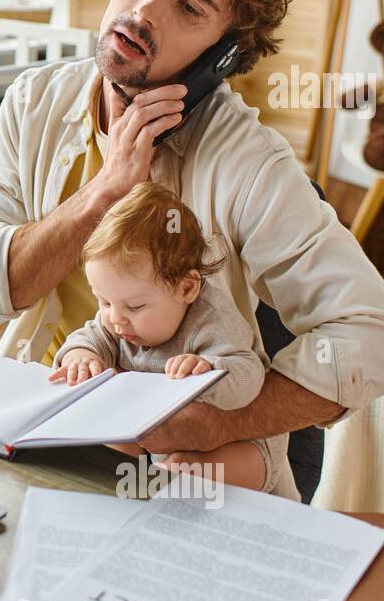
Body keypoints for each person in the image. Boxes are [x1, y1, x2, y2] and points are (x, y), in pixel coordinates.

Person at [0, 0, 384, 500]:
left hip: (186, 474)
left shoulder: (249, 163)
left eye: (190, 8)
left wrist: (224, 422)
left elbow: (383, 341)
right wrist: (107, 188)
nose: (145, 12)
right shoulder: (33, 102)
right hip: (45, 423)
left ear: (222, 56)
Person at [46, 182, 290, 496]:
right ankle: (116, 498)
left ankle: (156, 501)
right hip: (161, 443)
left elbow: (249, 376)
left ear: (187, 288)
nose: (116, 318)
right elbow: (89, 337)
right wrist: (81, 357)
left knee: (178, 475)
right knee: (104, 452)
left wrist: (208, 370)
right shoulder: (118, 318)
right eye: (103, 301)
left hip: (240, 446)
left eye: (135, 307)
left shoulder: (212, 320)